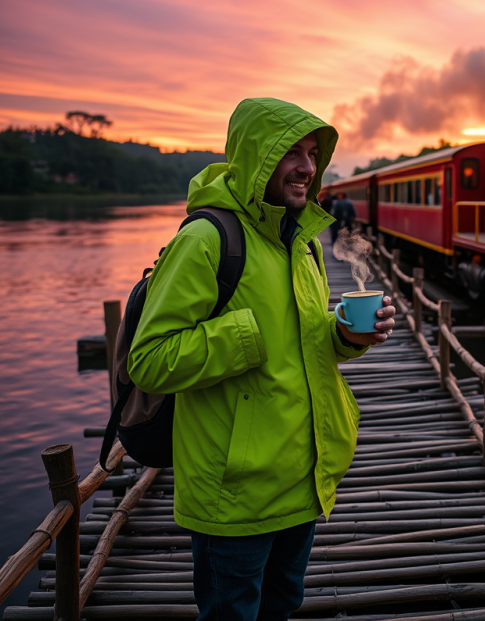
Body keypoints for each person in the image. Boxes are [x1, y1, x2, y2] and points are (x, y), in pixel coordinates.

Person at [127, 98, 396, 621]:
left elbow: (306, 341)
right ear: (256, 156)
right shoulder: (207, 239)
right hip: (236, 496)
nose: (307, 167)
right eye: (290, 152)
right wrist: (244, 335)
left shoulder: (302, 242)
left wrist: (344, 336)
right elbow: (150, 360)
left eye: (313, 153)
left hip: (303, 480)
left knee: (280, 609)